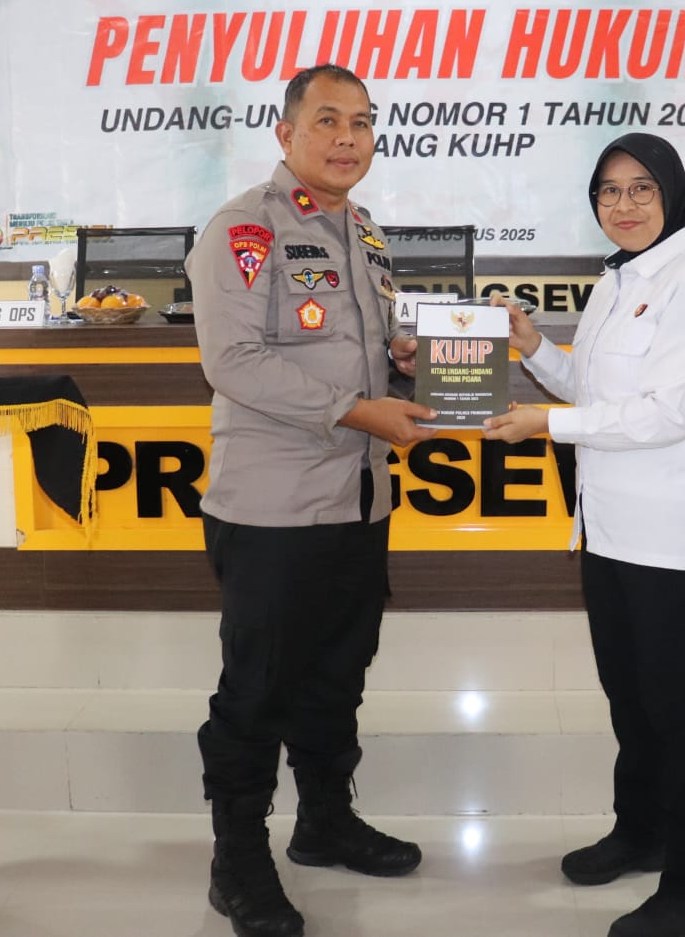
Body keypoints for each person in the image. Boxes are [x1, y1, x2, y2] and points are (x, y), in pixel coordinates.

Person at [184, 64, 438, 937]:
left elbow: (366, 350)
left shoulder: (362, 229)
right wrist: (359, 409)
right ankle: (237, 861)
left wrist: (405, 363)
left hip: (359, 501)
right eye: (328, 120)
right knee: (256, 691)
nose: (347, 138)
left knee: (337, 677)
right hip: (274, 510)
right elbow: (233, 363)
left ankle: (324, 822)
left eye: (362, 122)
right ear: (286, 133)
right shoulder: (244, 230)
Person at [483, 132, 685, 937]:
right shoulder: (616, 280)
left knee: (680, 712)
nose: (623, 205)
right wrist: (532, 348)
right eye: (608, 191)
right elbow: (592, 393)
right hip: (605, 532)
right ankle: (642, 833)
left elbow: (664, 416)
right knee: (631, 701)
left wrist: (546, 424)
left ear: (672, 196)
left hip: (667, 539)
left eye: (640, 189)